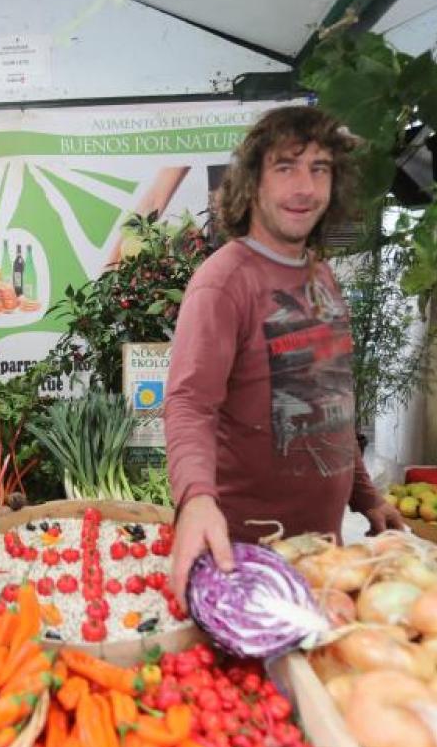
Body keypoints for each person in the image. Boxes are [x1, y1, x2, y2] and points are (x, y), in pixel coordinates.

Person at [164, 106, 405, 606]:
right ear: (252, 183)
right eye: (286, 167)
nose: (305, 188)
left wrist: (367, 497)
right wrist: (196, 498)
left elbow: (329, 403)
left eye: (319, 169)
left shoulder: (322, 277)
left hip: (325, 555)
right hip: (247, 559)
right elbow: (190, 403)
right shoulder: (224, 282)